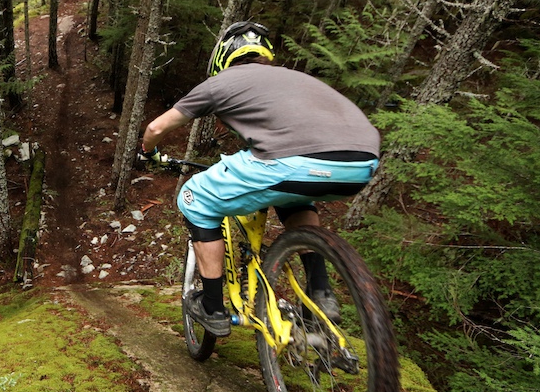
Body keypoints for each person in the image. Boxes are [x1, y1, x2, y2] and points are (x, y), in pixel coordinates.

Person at [139, 21, 380, 336]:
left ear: (223, 57)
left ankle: (212, 307)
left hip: (289, 163)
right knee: (296, 196)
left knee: (194, 198)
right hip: (362, 161)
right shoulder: (297, 78)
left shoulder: (222, 82)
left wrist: (149, 152)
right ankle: (321, 291)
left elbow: (157, 128)